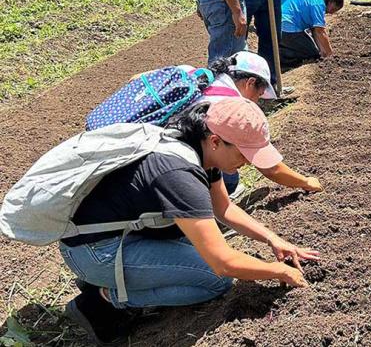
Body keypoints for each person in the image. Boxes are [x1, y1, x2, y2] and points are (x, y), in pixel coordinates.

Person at [61, 98, 320, 344]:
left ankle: (119, 279)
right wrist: (279, 271)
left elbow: (224, 208)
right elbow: (223, 264)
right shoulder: (179, 175)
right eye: (244, 155)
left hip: (118, 236)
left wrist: (272, 238)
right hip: (95, 252)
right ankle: (103, 299)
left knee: (202, 253)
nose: (248, 163)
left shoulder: (200, 149)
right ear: (216, 141)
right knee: (215, 281)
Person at [201, 52, 323, 195]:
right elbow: (271, 169)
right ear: (250, 83)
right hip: (179, 168)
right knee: (227, 180)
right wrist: (306, 182)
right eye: (259, 95)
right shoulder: (227, 105)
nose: (256, 102)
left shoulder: (213, 82)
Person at [279, 0, 344, 68]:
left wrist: (322, 51)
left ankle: (282, 46)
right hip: (287, 26)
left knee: (314, 53)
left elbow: (315, 31)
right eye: (333, 9)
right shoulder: (318, 4)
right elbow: (320, 31)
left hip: (283, 24)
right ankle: (282, 55)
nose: (331, 13)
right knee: (310, 55)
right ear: (330, 2)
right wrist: (330, 54)